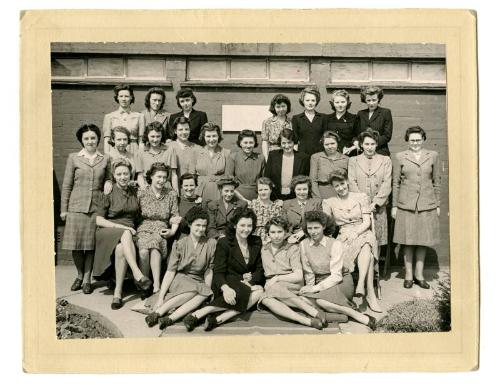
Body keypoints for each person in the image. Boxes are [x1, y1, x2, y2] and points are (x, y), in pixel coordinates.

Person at [182, 207, 265, 332]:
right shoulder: (224, 242)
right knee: (246, 293)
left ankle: (217, 318)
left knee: (259, 292)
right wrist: (225, 289)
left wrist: (251, 281)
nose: (246, 229)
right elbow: (219, 272)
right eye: (242, 225)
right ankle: (203, 314)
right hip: (227, 282)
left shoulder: (256, 241)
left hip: (246, 283)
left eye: (249, 225)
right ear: (235, 225)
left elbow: (259, 269)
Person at [299, 211, 377, 330]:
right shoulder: (303, 244)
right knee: (302, 298)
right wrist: (310, 289)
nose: (313, 232)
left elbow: (336, 276)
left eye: (316, 228)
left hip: (340, 281)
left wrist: (315, 289)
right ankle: (340, 316)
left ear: (324, 227)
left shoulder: (335, 244)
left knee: (320, 301)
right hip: (320, 282)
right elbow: (308, 271)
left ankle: (356, 315)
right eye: (309, 228)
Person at [93, 159, 152, 309]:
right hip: (109, 230)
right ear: (114, 175)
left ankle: (117, 293)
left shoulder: (134, 191)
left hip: (131, 231)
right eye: (119, 174)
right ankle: (137, 274)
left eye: (126, 173)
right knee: (125, 233)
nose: (123, 177)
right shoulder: (109, 191)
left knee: (121, 249)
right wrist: (119, 227)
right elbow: (98, 220)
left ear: (130, 174)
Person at [144, 207, 217, 330]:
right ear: (189, 224)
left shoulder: (211, 244)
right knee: (196, 290)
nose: (201, 229)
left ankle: (169, 319)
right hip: (181, 279)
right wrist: (161, 297)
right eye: (197, 225)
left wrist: (207, 288)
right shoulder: (180, 244)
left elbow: (209, 269)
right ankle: (158, 312)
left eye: (204, 226)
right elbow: (170, 271)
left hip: (198, 279)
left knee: (204, 292)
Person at [60, 124, 112, 294]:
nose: (90, 141)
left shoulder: (105, 159)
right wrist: (64, 209)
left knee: (90, 246)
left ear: (98, 139)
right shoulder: (74, 157)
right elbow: (67, 185)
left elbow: (109, 179)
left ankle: (88, 280)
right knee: (76, 246)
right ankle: (80, 275)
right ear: (81, 140)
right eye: (86, 138)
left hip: (95, 208)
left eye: (93, 138)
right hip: (76, 207)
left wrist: (107, 184)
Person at [322, 171, 382, 313]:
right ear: (332, 187)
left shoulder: (361, 197)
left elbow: (367, 222)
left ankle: (360, 284)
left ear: (347, 182)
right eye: (337, 186)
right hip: (344, 235)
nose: (341, 188)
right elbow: (328, 227)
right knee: (366, 249)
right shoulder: (329, 202)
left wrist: (356, 233)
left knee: (367, 242)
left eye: (342, 184)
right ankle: (369, 293)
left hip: (362, 230)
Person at [392, 126, 441, 289]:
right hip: (406, 205)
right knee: (408, 241)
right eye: (412, 140)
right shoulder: (400, 157)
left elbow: (436, 182)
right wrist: (394, 206)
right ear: (407, 141)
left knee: (422, 241)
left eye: (418, 140)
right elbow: (396, 183)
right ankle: (408, 275)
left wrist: (437, 204)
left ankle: (419, 275)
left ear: (423, 139)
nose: (415, 143)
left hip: (427, 204)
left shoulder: (432, 156)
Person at [258, 216, 324, 329]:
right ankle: (306, 321)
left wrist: (277, 278)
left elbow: (298, 276)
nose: (276, 235)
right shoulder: (263, 249)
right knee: (265, 300)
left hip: (291, 283)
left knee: (273, 288)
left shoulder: (292, 248)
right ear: (268, 234)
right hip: (272, 286)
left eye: (280, 231)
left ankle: (311, 311)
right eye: (273, 232)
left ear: (285, 233)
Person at [136, 162, 181, 295]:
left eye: (164, 177)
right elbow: (135, 212)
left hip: (161, 227)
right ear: (151, 177)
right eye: (158, 177)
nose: (162, 180)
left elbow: (175, 216)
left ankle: (156, 286)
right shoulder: (142, 192)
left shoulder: (171, 194)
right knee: (143, 251)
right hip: (144, 227)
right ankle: (145, 283)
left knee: (155, 246)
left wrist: (172, 231)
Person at [348, 129, 392, 252]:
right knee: (361, 237)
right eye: (367, 144)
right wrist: (363, 203)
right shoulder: (353, 161)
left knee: (376, 238)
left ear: (377, 144)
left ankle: (375, 269)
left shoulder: (385, 160)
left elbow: (387, 183)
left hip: (377, 207)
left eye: (372, 144)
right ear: (361, 144)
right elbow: (352, 182)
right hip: (360, 207)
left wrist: (376, 203)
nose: (370, 147)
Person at [264, 128, 310, 201]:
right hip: (275, 197)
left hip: (296, 197)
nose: (287, 146)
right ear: (280, 143)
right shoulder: (273, 155)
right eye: (284, 143)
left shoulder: (303, 158)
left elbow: (306, 180)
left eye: (289, 142)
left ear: (294, 142)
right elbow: (266, 178)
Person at [191, 122, 231, 202]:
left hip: (219, 193)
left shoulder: (226, 153)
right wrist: (196, 194)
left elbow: (228, 177)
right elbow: (191, 176)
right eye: (208, 136)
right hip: (200, 193)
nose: (211, 139)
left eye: (214, 136)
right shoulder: (196, 152)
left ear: (218, 136)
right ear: (203, 137)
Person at [136, 121, 178, 192]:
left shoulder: (170, 150)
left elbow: (174, 175)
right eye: (152, 136)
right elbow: (140, 176)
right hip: (148, 188)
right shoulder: (140, 152)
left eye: (158, 136)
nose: (155, 140)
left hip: (166, 188)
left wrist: (176, 193)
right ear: (147, 136)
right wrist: (145, 191)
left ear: (162, 136)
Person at [226, 129, 266, 202]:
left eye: (251, 142)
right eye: (245, 142)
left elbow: (264, 181)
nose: (248, 146)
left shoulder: (261, 158)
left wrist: (259, 198)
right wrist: (242, 199)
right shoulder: (233, 157)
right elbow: (228, 182)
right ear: (240, 143)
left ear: (254, 143)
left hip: (257, 197)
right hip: (237, 196)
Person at [103, 84, 143, 156]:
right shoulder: (109, 116)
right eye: (121, 96)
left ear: (131, 97)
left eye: (126, 96)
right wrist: (107, 155)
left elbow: (141, 140)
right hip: (115, 151)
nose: (124, 99)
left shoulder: (139, 116)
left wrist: (140, 155)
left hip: (133, 150)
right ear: (117, 98)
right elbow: (107, 140)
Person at [282, 175, 323, 244]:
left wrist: (303, 232)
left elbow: (320, 223)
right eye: (298, 189)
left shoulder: (317, 203)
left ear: (309, 190)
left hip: (312, 238)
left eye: (304, 189)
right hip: (291, 239)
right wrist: (288, 237)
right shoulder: (286, 204)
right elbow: (283, 225)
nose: (302, 192)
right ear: (294, 190)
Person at [353, 86, 393, 156]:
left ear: (378, 99)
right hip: (363, 152)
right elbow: (356, 134)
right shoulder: (360, 113)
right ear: (365, 100)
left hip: (380, 151)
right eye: (368, 100)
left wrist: (371, 145)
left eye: (374, 100)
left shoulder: (385, 112)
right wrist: (356, 141)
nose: (371, 103)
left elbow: (387, 136)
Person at [310, 131, 349, 199]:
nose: (330, 146)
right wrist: (317, 199)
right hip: (323, 193)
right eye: (327, 144)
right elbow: (313, 180)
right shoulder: (316, 157)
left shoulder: (346, 159)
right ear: (323, 145)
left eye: (332, 143)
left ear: (337, 143)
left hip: (341, 193)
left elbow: (349, 180)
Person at [291, 86, 328, 157]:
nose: (310, 103)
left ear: (316, 101)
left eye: (313, 100)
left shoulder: (323, 118)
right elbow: (295, 141)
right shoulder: (296, 118)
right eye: (307, 100)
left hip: (319, 154)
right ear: (303, 101)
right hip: (302, 154)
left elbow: (326, 138)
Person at [248, 177, 283, 243]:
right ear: (257, 191)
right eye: (260, 190)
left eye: (266, 189)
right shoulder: (252, 205)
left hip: (270, 238)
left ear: (271, 190)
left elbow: (278, 226)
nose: (263, 192)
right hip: (253, 238)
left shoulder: (276, 207)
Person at [325, 89, 358, 156]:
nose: (340, 105)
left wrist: (351, 148)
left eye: (343, 102)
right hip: (330, 154)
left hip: (349, 153)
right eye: (337, 102)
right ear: (333, 103)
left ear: (347, 103)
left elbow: (358, 137)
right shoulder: (327, 118)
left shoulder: (354, 118)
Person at [261, 94, 292, 161]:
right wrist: (267, 158)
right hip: (273, 156)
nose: (281, 109)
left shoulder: (292, 122)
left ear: (287, 106)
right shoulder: (267, 122)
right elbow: (265, 142)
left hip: (288, 155)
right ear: (274, 108)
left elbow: (295, 142)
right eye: (278, 107)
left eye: (283, 106)